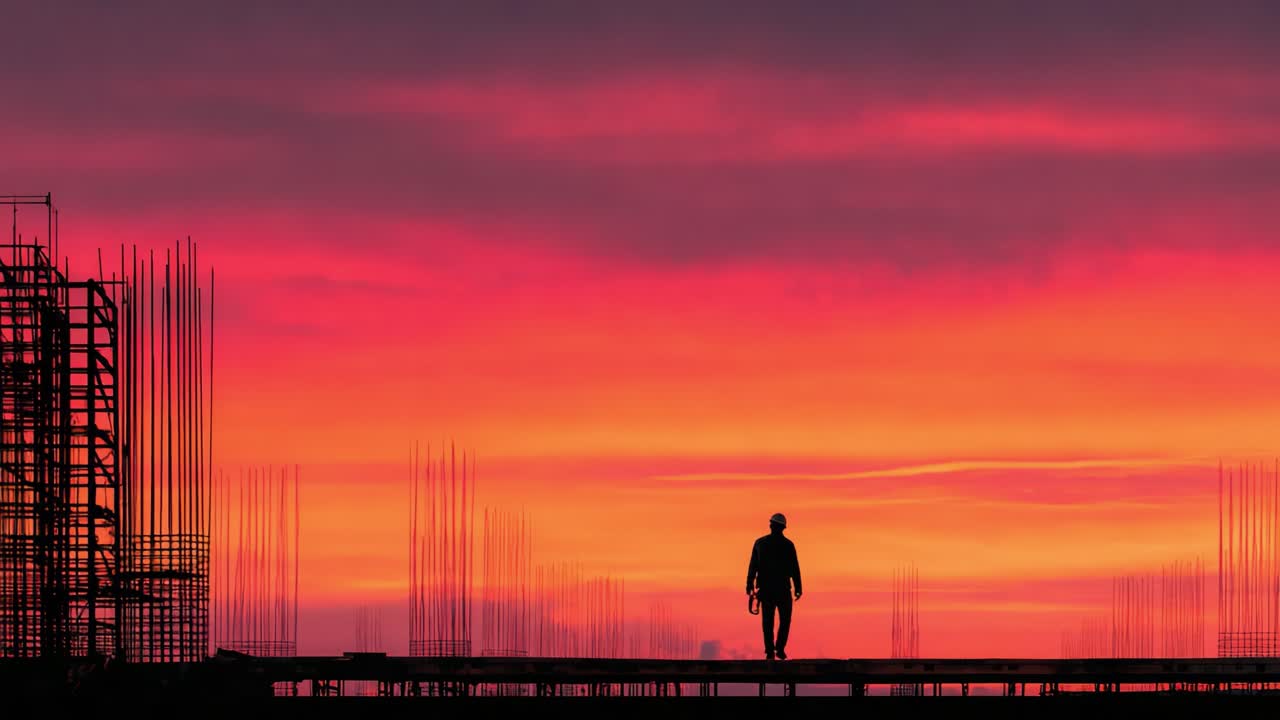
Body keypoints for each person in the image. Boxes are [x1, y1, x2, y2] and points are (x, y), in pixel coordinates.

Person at [746, 512, 802, 660]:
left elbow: (753, 566)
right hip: (778, 589)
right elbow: (794, 568)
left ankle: (773, 650)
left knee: (769, 622)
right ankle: (776, 650)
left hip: (772, 589)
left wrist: (749, 583)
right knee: (780, 621)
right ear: (783, 527)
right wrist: (798, 587)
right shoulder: (786, 545)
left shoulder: (762, 543)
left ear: (772, 525)